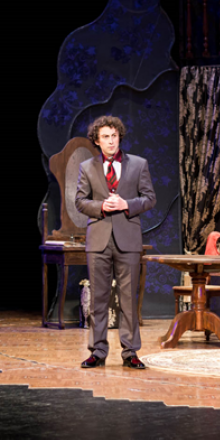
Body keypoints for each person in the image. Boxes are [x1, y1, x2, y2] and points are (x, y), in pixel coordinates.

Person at [75, 115, 156, 369]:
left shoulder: (138, 164)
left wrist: (126, 204)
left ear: (119, 136)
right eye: (105, 137)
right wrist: (101, 206)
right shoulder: (87, 167)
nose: (111, 141)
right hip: (98, 239)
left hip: (128, 239)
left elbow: (150, 198)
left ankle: (130, 352)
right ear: (97, 141)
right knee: (98, 299)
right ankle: (97, 351)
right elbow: (80, 201)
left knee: (128, 299)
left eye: (114, 136)